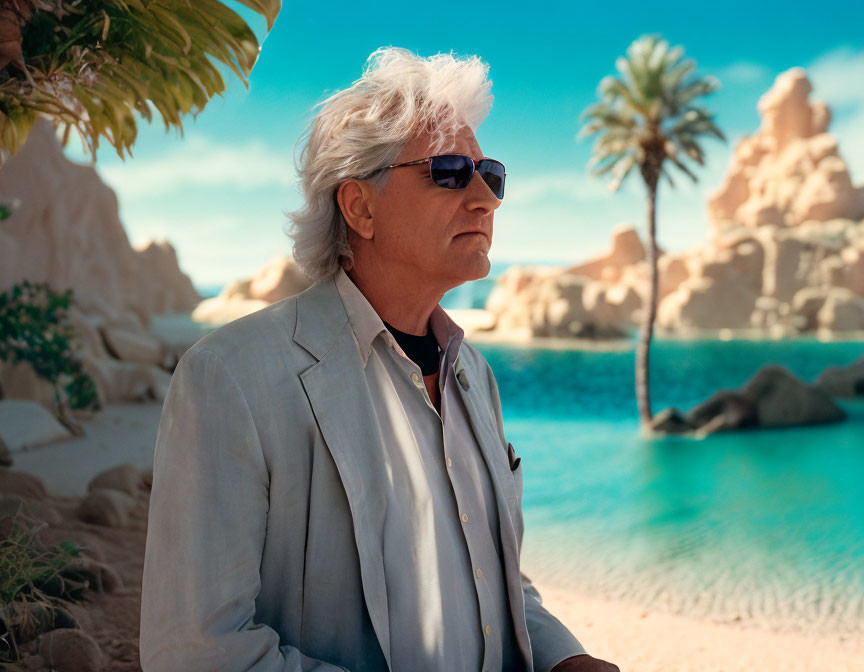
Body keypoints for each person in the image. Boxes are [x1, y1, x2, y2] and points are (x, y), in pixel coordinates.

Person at [139, 46, 619, 672]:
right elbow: (195, 651)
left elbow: (488, 579)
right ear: (360, 206)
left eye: (490, 174)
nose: (486, 200)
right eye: (449, 171)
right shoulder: (230, 377)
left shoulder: (474, 376)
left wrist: (564, 659)